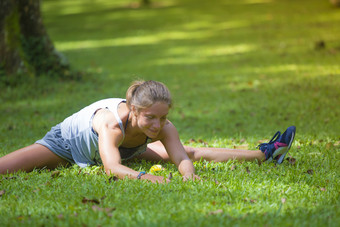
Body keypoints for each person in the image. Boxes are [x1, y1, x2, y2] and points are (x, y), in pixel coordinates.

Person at [0, 80, 296, 183]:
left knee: (190, 151)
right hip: (65, 146)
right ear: (134, 110)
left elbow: (182, 156)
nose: (157, 125)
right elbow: (112, 167)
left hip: (122, 151)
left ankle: (266, 153)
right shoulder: (110, 123)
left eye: (163, 117)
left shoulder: (163, 125)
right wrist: (146, 177)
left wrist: (189, 176)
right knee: (6, 168)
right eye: (150, 118)